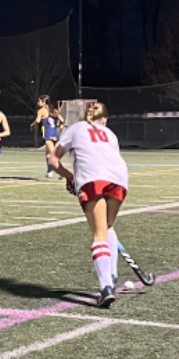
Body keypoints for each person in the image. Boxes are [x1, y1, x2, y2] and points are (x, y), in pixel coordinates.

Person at [49, 102, 128, 308]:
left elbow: (53, 160)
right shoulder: (111, 134)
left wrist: (69, 177)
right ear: (104, 119)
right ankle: (112, 276)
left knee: (98, 233)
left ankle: (106, 288)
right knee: (108, 226)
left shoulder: (75, 128)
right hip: (119, 178)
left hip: (92, 178)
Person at [30, 95, 64, 178]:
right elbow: (62, 120)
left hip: (48, 133)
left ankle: (61, 172)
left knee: (53, 154)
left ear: (44, 102)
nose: (38, 103)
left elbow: (37, 121)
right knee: (48, 153)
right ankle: (49, 172)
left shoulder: (41, 111)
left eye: (39, 101)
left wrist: (32, 125)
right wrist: (59, 127)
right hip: (55, 133)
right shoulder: (54, 110)